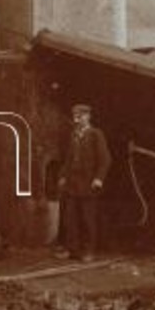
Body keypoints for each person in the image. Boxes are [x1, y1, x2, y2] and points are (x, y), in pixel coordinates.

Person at [56, 103, 111, 261]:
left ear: (88, 116)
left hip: (89, 184)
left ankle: (88, 251)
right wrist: (63, 176)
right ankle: (72, 249)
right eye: (75, 116)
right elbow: (68, 160)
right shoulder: (74, 135)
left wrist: (98, 179)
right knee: (70, 218)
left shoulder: (96, 134)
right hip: (72, 184)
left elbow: (105, 159)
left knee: (87, 219)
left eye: (80, 116)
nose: (77, 119)